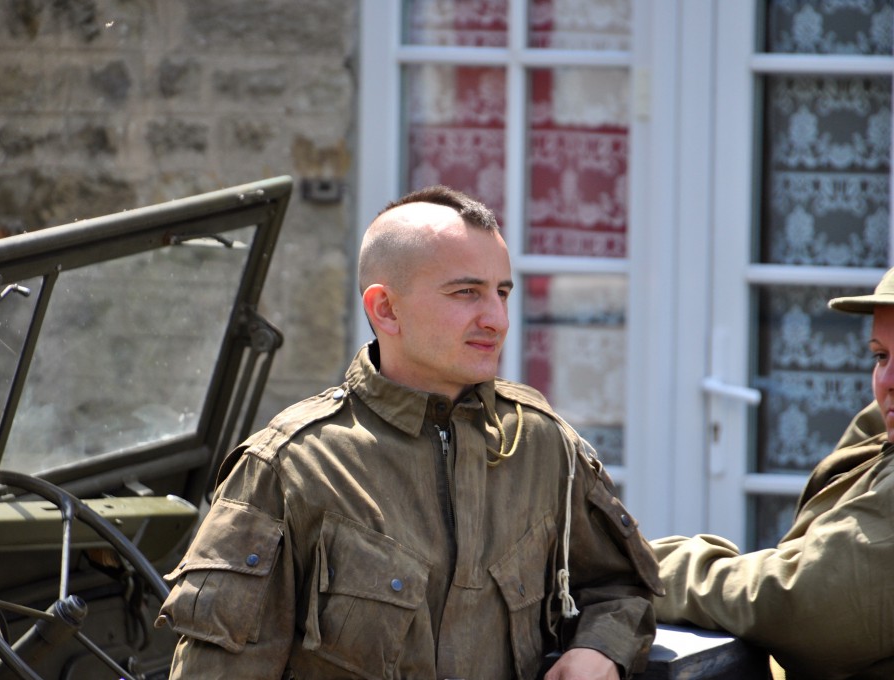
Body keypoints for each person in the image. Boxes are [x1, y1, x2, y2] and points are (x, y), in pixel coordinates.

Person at [156, 185, 663, 679]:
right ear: (386, 309)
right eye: (467, 292)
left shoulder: (541, 444)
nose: (497, 319)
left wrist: (599, 651)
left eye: (502, 292)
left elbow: (619, 585)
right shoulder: (290, 470)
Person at [653, 267, 894, 679]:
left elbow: (800, 602)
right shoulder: (879, 435)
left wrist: (649, 569)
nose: (886, 381)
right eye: (880, 356)